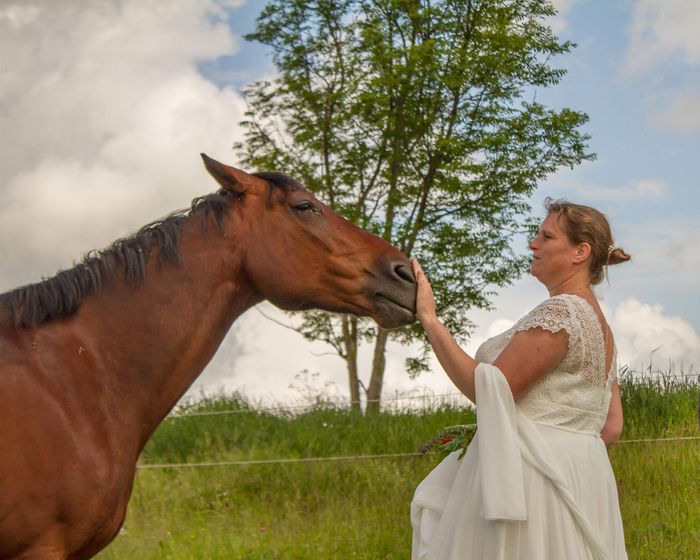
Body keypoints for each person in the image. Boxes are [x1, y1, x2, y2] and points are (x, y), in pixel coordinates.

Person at [410, 199, 630, 560]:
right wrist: (570, 458)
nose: (533, 244)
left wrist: (431, 322)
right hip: (585, 478)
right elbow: (612, 426)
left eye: (546, 236)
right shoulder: (601, 327)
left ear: (580, 252)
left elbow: (491, 390)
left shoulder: (563, 311)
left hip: (535, 481)